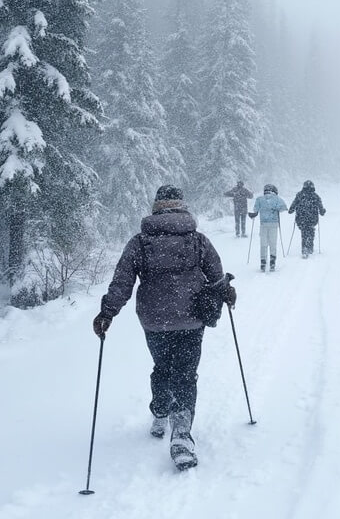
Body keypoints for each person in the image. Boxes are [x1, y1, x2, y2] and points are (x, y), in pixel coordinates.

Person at [92, 185, 236, 471]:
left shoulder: (140, 242)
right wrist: (227, 293)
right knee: (184, 372)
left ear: (156, 207)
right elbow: (217, 276)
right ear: (182, 207)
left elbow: (122, 281)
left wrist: (107, 312)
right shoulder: (198, 240)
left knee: (162, 365)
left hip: (154, 319)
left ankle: (160, 410)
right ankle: (181, 433)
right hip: (191, 316)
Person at [248, 184, 287, 272]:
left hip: (263, 224)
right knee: (273, 244)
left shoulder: (259, 199)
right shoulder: (277, 198)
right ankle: (272, 263)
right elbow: (284, 208)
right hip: (274, 224)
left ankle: (263, 263)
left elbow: (255, 210)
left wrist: (253, 215)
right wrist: (277, 209)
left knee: (263, 244)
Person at [288, 180, 326, 258]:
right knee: (311, 232)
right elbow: (320, 207)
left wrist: (291, 210)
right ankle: (310, 247)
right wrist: (322, 211)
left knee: (304, 233)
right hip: (312, 218)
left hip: (301, 218)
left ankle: (305, 248)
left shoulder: (300, 195)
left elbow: (293, 205)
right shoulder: (315, 196)